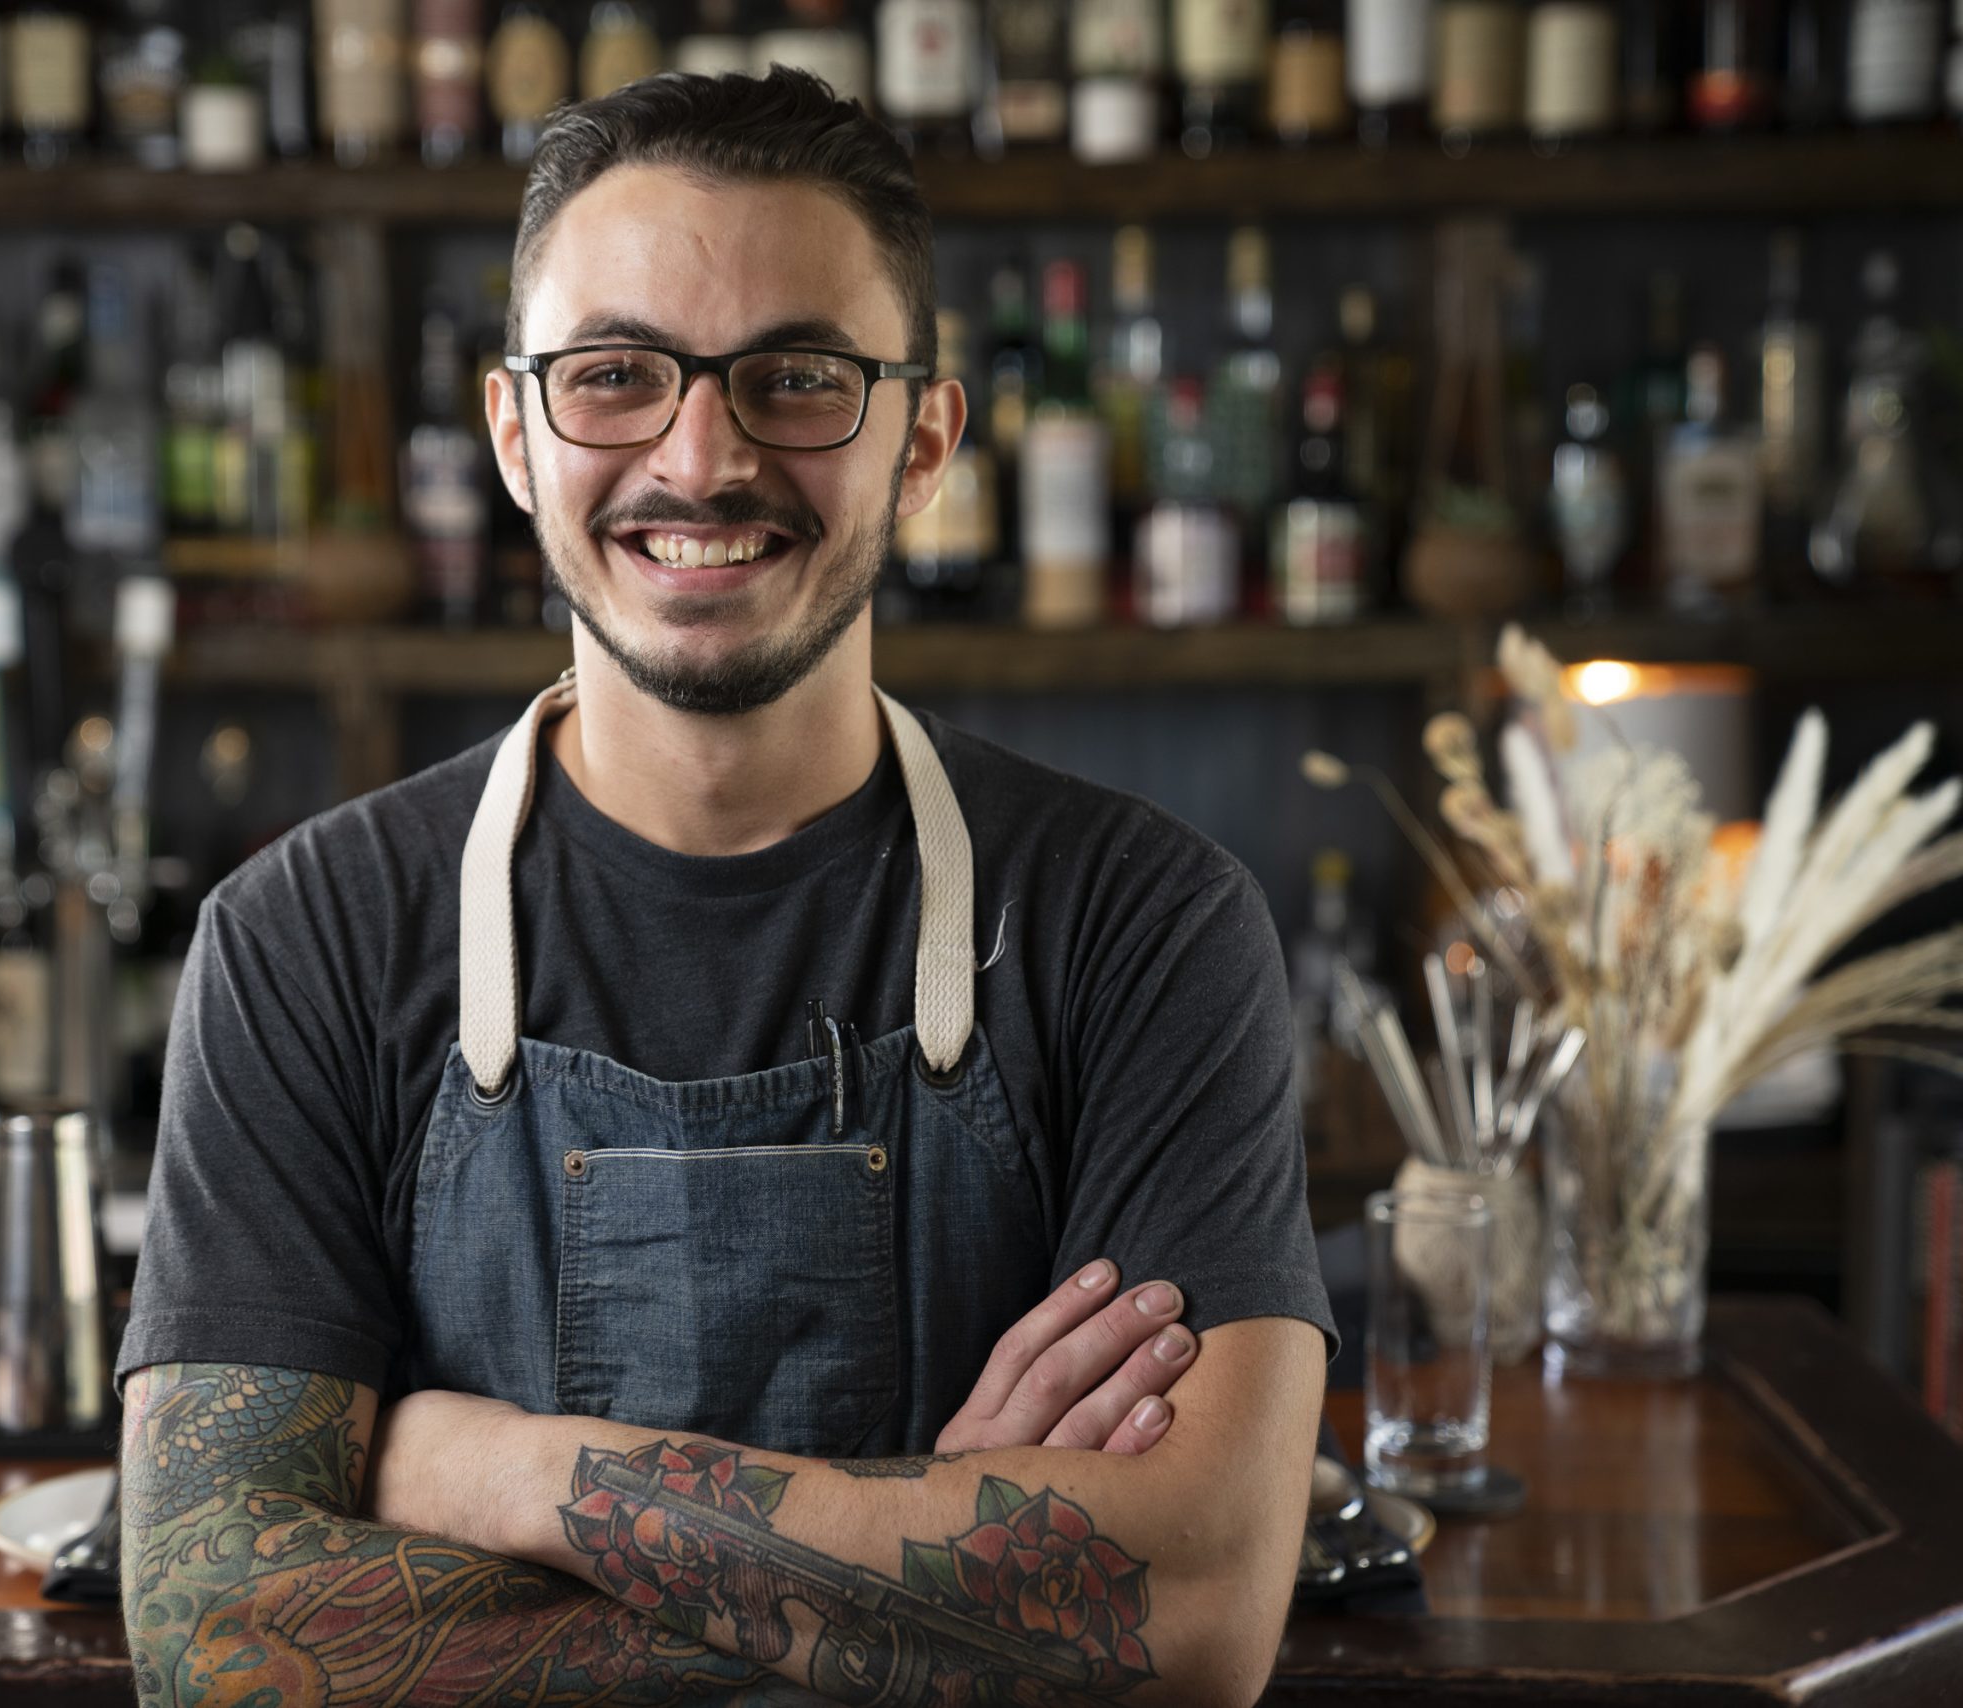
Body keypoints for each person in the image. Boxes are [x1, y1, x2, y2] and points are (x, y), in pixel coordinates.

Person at [119, 69, 1339, 1708]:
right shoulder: (307, 941)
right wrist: (945, 1586)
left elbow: (1192, 1614)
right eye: (613, 376)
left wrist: (500, 1472)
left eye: (799, 378)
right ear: (512, 436)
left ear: (923, 442)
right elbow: (214, 1634)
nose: (702, 458)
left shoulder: (1140, 924)